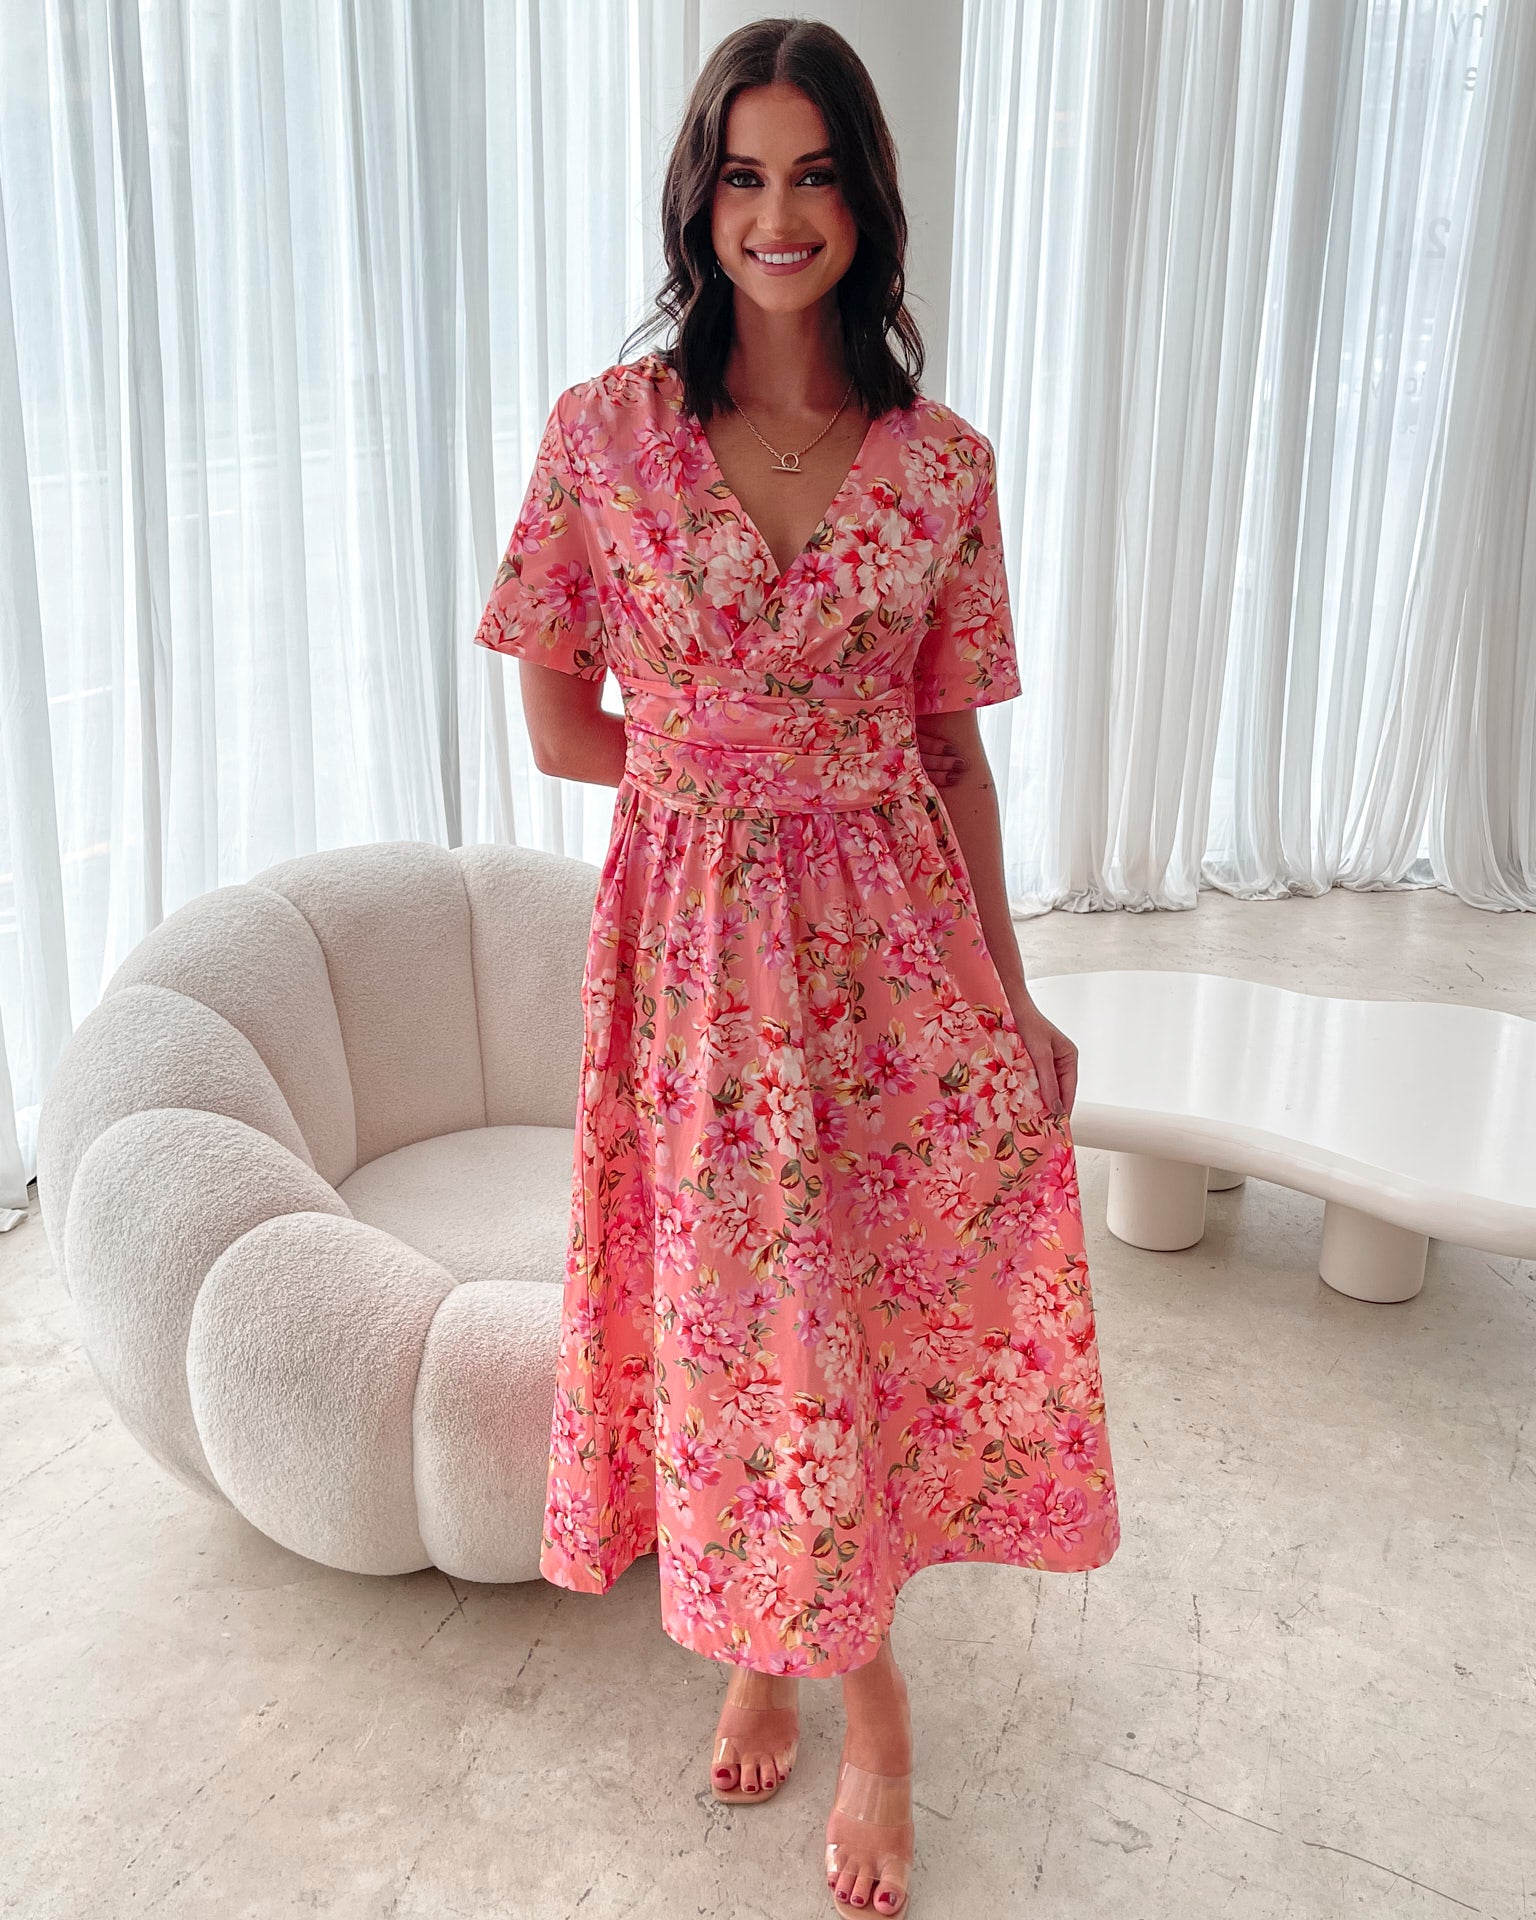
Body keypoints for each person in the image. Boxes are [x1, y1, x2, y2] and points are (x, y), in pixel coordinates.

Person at [472, 19, 1120, 1915]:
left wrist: (1013, 996)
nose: (779, 213)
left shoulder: (942, 470)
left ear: (866, 203)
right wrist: (723, 782)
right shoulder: (605, 436)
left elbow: (953, 756)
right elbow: (557, 724)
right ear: (701, 198)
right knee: (739, 1324)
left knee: (865, 1323)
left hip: (892, 960)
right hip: (686, 971)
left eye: (815, 174)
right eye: (745, 175)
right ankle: (813, 1653)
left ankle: (853, 1683)